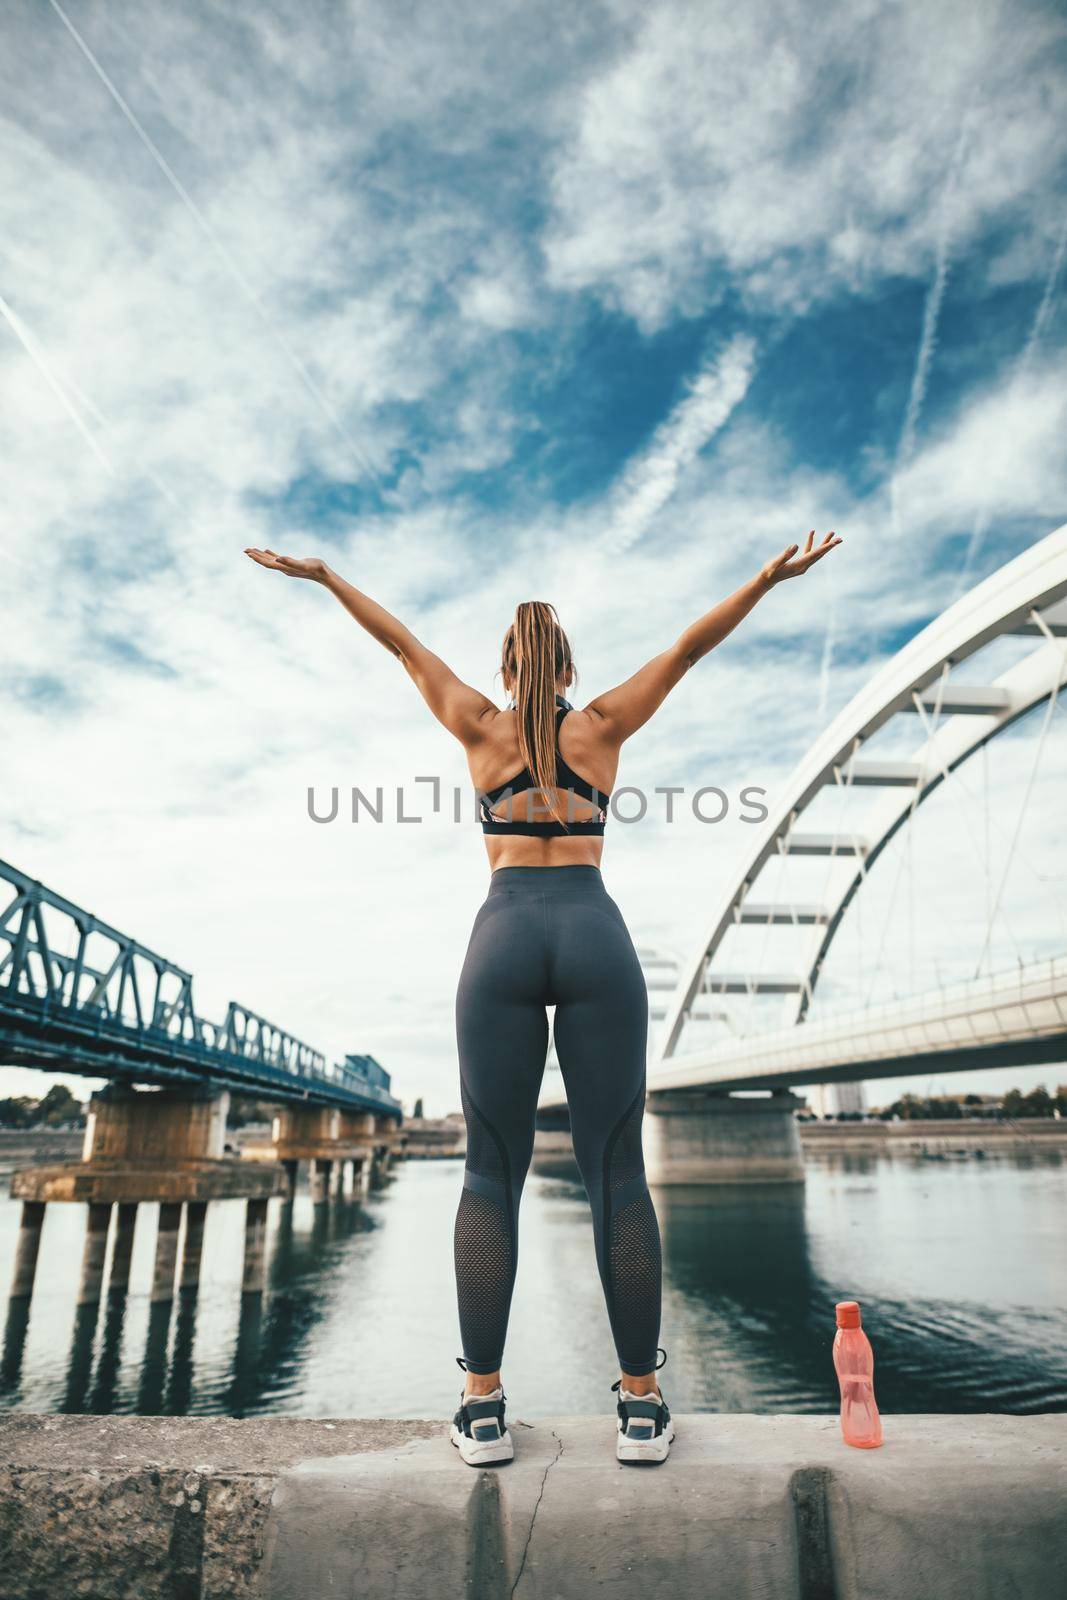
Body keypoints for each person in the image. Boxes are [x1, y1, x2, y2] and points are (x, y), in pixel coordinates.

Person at [246, 530, 841, 1464]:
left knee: (489, 1172)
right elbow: (690, 648)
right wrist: (764, 577)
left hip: (504, 937)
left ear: (504, 666)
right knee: (615, 1172)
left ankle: (481, 1406)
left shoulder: (477, 726)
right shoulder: (601, 727)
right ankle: (640, 1407)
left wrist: (325, 577)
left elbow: (400, 644)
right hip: (594, 934)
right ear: (566, 664)